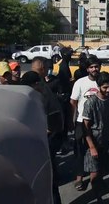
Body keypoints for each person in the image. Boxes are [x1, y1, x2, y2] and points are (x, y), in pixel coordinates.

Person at [20, 71, 64, 204]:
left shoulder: (44, 96)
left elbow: (54, 118)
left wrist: (46, 131)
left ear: (36, 84)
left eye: (30, 86)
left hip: (46, 144)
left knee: (49, 182)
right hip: (41, 143)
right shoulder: (39, 93)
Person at [82, 72, 109, 202]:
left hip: (108, 142)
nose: (108, 90)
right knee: (95, 173)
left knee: (104, 169)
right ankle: (98, 198)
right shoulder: (90, 103)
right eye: (104, 88)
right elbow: (85, 126)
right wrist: (92, 147)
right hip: (94, 142)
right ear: (98, 87)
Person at [70, 55, 102, 191]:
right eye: (91, 67)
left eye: (96, 66)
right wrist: (74, 119)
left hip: (98, 124)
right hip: (81, 122)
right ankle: (79, 178)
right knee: (80, 152)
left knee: (96, 150)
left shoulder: (102, 81)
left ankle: (95, 178)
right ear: (87, 69)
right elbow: (73, 101)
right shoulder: (80, 82)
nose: (94, 69)